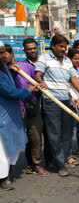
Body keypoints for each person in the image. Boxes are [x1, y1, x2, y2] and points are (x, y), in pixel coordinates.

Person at [35, 34, 79, 177]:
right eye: (60, 47)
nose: (63, 49)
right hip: (51, 101)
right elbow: (38, 74)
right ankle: (59, 164)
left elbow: (73, 79)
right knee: (54, 133)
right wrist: (41, 82)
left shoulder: (67, 61)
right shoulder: (45, 58)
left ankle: (62, 159)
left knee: (67, 133)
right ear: (53, 46)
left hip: (65, 100)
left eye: (65, 47)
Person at [0, 40, 39, 190]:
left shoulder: (4, 69)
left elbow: (7, 81)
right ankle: (3, 179)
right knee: (3, 149)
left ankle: (8, 173)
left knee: (15, 146)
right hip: (3, 117)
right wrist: (29, 90)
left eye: (5, 52)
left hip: (12, 115)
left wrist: (13, 72)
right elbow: (10, 92)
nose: (4, 56)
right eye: (1, 53)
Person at [14, 38, 48, 176]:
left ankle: (36, 164)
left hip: (38, 106)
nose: (33, 51)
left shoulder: (44, 63)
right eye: (29, 49)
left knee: (36, 138)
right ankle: (9, 168)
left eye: (34, 48)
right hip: (20, 107)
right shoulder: (18, 66)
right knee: (18, 138)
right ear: (24, 50)